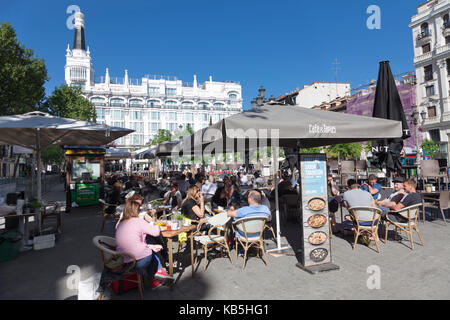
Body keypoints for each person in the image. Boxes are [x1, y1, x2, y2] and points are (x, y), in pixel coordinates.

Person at [115, 195, 173, 289]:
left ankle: (157, 275)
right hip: (137, 262)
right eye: (139, 207)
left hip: (123, 259)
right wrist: (157, 226)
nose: (140, 208)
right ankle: (157, 274)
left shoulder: (121, 222)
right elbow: (156, 232)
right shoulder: (138, 221)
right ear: (135, 210)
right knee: (151, 252)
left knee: (150, 247)